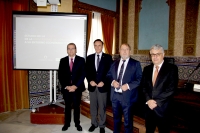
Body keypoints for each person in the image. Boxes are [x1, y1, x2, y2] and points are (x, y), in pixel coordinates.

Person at [141, 44, 178, 133]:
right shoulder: (147, 69)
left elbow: (171, 89)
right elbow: (143, 87)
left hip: (163, 109)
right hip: (149, 108)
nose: (155, 57)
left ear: (163, 54)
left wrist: (156, 102)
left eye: (158, 54)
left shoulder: (172, 68)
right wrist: (148, 100)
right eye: (153, 54)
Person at [107, 43, 142, 133]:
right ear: (119, 51)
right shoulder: (114, 63)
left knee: (128, 122)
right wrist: (112, 82)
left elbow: (139, 79)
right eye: (122, 49)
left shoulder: (135, 64)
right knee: (116, 120)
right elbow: (108, 75)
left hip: (128, 97)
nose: (124, 51)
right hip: (115, 96)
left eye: (127, 49)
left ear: (130, 51)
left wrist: (128, 86)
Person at [86, 39, 113, 133]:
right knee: (93, 106)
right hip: (93, 86)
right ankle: (94, 124)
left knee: (102, 107)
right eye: (96, 45)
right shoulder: (89, 57)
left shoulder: (108, 58)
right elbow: (87, 72)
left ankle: (102, 125)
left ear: (102, 46)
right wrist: (90, 81)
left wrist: (104, 81)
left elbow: (110, 72)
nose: (97, 47)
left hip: (103, 86)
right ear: (94, 46)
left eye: (99, 45)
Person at [58, 43, 86, 131]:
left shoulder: (81, 60)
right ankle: (67, 124)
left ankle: (77, 124)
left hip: (77, 88)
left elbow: (83, 74)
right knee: (67, 107)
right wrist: (67, 86)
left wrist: (75, 86)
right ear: (67, 50)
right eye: (69, 49)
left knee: (77, 106)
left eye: (72, 48)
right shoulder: (62, 60)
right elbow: (60, 75)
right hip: (67, 89)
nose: (71, 50)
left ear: (76, 50)